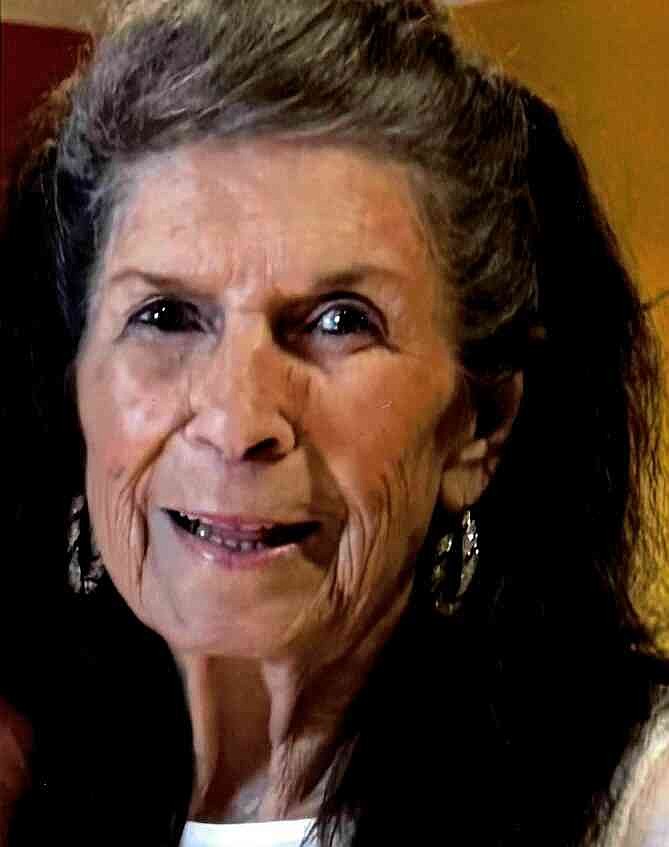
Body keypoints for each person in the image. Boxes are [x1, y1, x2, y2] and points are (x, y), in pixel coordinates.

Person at [1, 1, 668, 845]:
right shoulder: (29, 789)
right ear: (74, 391)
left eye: (339, 321)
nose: (237, 422)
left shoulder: (638, 803)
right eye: (165, 315)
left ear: (479, 425)